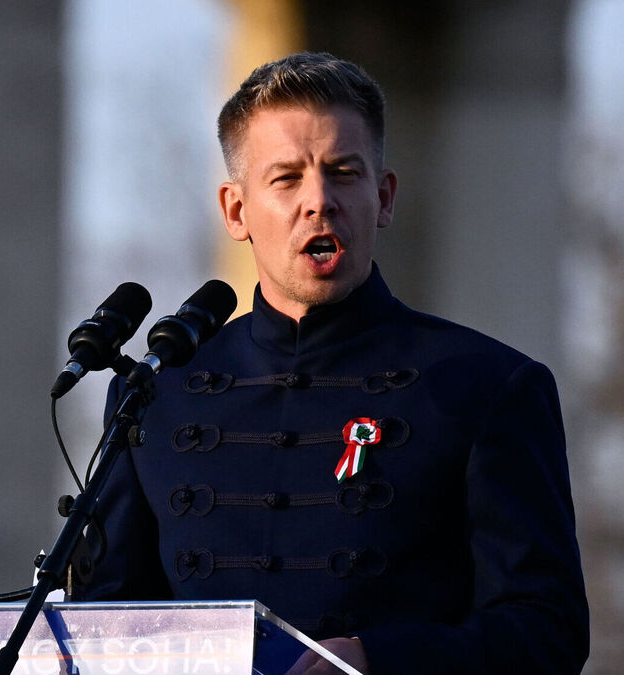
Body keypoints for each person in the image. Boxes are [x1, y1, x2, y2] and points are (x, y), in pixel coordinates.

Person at [71, 52, 588, 674]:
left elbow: (546, 630)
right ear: (236, 211)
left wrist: (375, 659)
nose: (319, 200)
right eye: (286, 178)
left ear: (384, 197)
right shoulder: (157, 392)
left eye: (343, 173)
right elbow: (103, 631)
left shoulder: (490, 386)